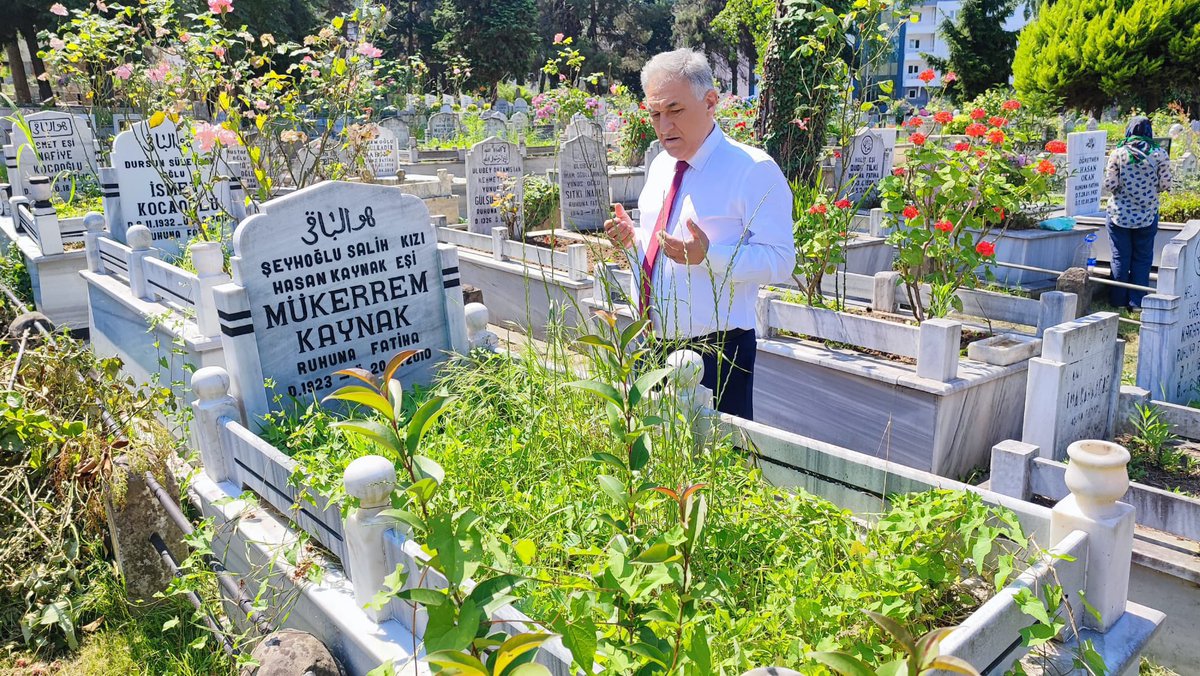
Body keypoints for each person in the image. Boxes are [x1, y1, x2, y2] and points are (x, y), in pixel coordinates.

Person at [603, 49, 794, 419]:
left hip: (717, 351)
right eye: (655, 113)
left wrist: (710, 257)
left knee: (717, 467)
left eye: (675, 110)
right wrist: (633, 241)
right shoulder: (660, 165)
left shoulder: (753, 169)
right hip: (652, 342)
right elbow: (662, 249)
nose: (663, 126)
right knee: (656, 462)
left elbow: (781, 261)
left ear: (710, 102)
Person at [1102, 115, 1172, 310]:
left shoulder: (1118, 153)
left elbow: (1110, 184)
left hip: (1119, 215)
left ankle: (1117, 301)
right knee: (1142, 258)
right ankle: (1137, 302)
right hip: (1147, 215)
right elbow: (1166, 184)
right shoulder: (1160, 154)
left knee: (1119, 257)